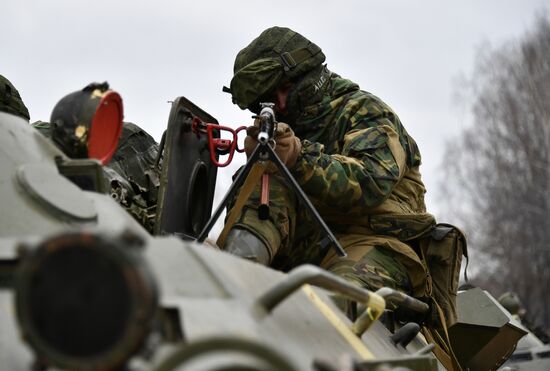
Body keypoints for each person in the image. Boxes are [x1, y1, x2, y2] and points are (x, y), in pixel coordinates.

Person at [221, 26, 439, 302]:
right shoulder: (281, 129)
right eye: (267, 101)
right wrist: (260, 165)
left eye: (284, 90)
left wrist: (297, 157)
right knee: (264, 181)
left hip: (373, 243)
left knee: (333, 307)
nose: (280, 104)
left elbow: (369, 181)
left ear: (308, 78)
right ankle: (233, 282)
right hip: (305, 247)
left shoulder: (364, 112)